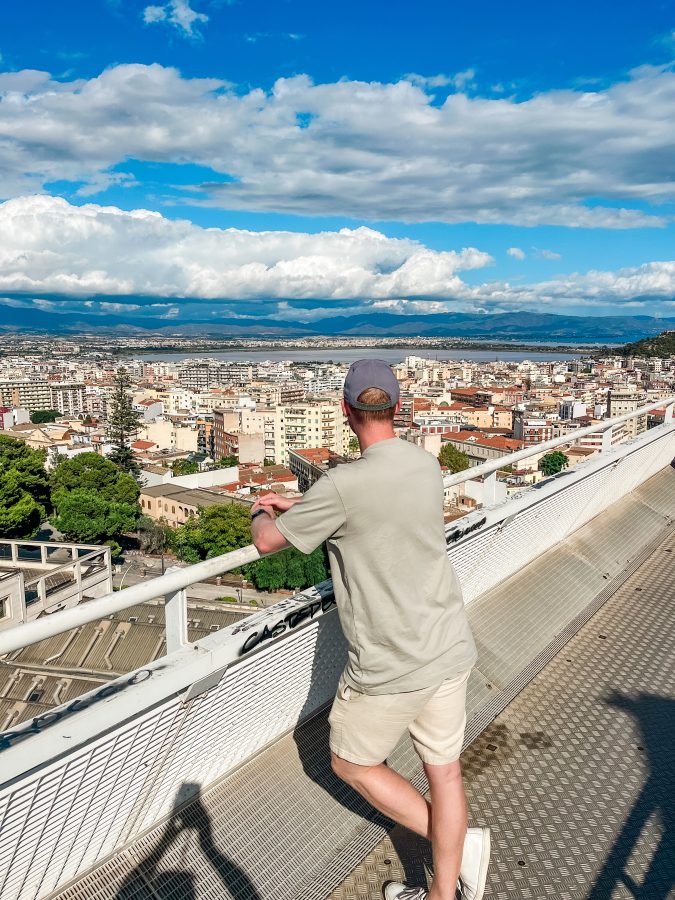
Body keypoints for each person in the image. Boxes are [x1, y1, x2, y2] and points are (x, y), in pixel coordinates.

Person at [250, 359, 490, 900]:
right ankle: (445, 888)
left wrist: (262, 512)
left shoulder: (342, 484)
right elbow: (375, 509)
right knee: (445, 773)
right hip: (449, 643)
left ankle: (453, 844)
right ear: (398, 408)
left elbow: (269, 542)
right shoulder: (424, 465)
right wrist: (309, 506)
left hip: (389, 662)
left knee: (350, 763)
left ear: (344, 410)